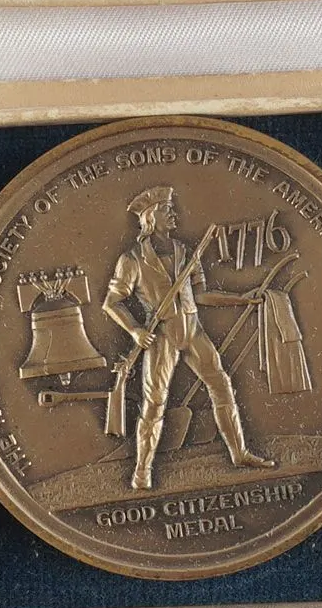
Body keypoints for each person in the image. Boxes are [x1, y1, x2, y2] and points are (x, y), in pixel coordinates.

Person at [103, 185, 276, 489]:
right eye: (165, 209)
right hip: (161, 336)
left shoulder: (186, 252)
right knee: (155, 402)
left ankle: (239, 453)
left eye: (171, 208)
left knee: (222, 385)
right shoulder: (131, 260)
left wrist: (240, 299)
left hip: (193, 330)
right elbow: (111, 303)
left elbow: (202, 295)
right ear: (150, 217)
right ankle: (142, 472)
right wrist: (136, 330)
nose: (173, 213)